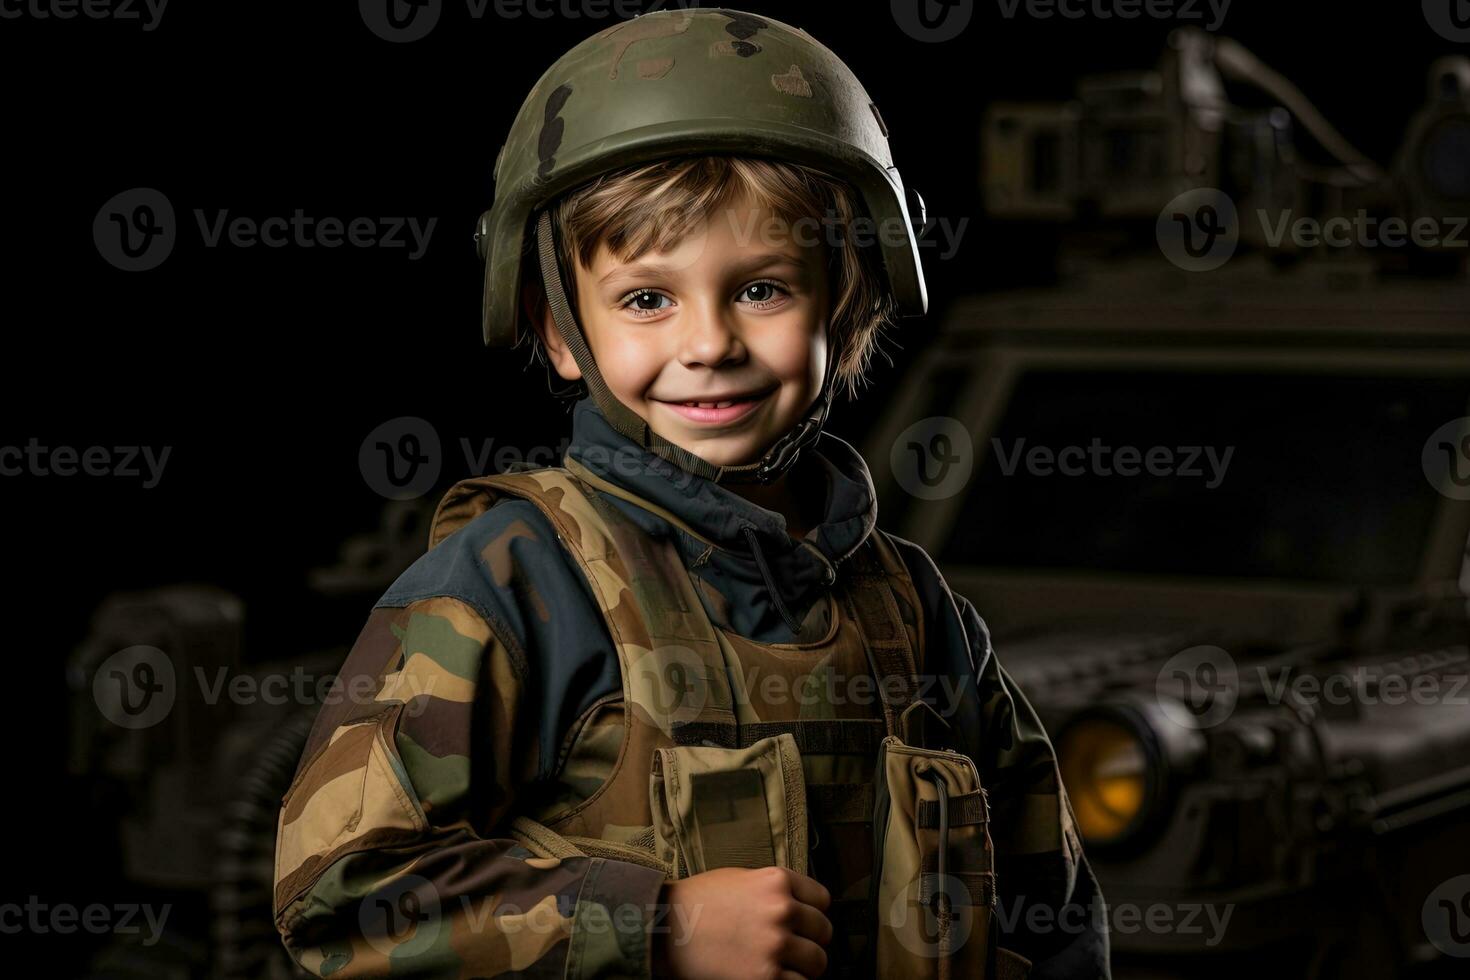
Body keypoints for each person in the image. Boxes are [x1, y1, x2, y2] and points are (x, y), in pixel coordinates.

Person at [273, 9, 1110, 979]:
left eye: (762, 288)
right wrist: (655, 925)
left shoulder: (916, 611)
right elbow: (343, 898)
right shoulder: (517, 581)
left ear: (851, 300)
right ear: (557, 329)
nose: (708, 342)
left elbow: (1051, 913)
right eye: (646, 298)